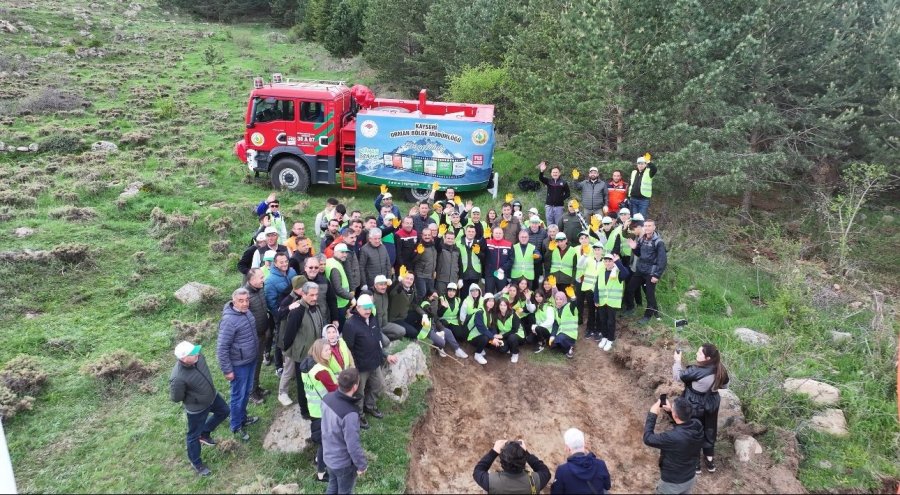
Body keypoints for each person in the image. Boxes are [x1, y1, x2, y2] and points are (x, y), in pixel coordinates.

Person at [169, 341, 229, 477]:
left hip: (212, 397)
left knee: (224, 411)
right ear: (184, 359)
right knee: (192, 436)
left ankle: (205, 432)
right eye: (193, 353)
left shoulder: (199, 357)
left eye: (196, 350)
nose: (197, 353)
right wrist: (194, 398)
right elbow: (176, 398)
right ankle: (196, 462)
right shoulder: (177, 377)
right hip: (197, 408)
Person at [341, 294, 399, 429]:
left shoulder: (373, 319)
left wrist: (385, 356)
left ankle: (370, 406)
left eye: (370, 308)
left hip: (374, 361)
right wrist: (352, 367)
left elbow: (377, 341)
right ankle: (359, 415)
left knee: (379, 385)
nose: (368, 311)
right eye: (365, 308)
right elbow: (348, 348)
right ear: (358, 307)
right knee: (359, 392)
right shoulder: (351, 324)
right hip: (360, 366)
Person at [673, 344, 729, 474]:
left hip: (694, 403)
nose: (696, 353)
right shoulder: (721, 368)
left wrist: (677, 361)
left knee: (694, 430)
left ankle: (696, 464)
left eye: (699, 353)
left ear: (707, 357)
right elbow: (725, 386)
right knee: (710, 428)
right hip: (712, 403)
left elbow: (678, 377)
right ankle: (710, 461)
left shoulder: (696, 370)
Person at [216, 288, 260, 441]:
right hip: (239, 365)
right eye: (241, 301)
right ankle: (236, 425)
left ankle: (243, 417)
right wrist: (227, 370)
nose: (245, 303)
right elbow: (222, 348)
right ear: (233, 301)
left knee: (246, 392)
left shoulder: (247, 313)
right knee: (238, 395)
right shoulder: (228, 321)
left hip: (250, 360)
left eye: (247, 300)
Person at [643, 397, 704, 494]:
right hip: (690, 476)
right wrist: (671, 411)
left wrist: (652, 414)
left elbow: (648, 439)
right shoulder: (698, 425)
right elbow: (684, 422)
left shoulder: (672, 437)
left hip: (672, 483)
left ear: (675, 415)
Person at [282, 282, 325, 418]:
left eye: (316, 294)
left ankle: (315, 403)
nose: (314, 298)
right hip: (302, 355)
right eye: (311, 295)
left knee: (315, 380)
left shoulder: (316, 306)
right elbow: (289, 334)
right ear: (303, 294)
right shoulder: (297, 311)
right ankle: (304, 410)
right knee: (303, 384)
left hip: (316, 353)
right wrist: (289, 351)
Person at [299, 338, 339, 483]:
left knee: (323, 441)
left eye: (330, 349)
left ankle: (317, 458)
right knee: (325, 444)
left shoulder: (307, 366)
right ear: (318, 351)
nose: (330, 352)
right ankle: (321, 474)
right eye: (327, 350)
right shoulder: (321, 370)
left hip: (314, 408)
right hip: (324, 411)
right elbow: (334, 391)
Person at [322, 368, 367, 494]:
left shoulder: (327, 398)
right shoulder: (350, 413)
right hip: (343, 463)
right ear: (355, 386)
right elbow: (353, 445)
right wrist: (361, 465)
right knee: (345, 492)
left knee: (332, 486)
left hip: (328, 455)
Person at [624, 219, 667, 324]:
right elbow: (639, 254)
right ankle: (630, 308)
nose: (647, 228)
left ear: (654, 227)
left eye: (649, 226)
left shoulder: (659, 242)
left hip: (651, 272)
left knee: (649, 294)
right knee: (629, 289)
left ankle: (648, 316)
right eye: (646, 226)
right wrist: (634, 248)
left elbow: (663, 260)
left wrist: (657, 275)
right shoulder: (642, 239)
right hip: (640, 270)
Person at [473, 439, 551, 494]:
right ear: (524, 461)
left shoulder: (491, 482)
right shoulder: (535, 481)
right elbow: (545, 471)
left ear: (502, 462)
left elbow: (478, 471)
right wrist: (526, 453)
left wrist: (494, 451)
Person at [551, 428, 612, 494]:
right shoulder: (600, 464)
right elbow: (607, 486)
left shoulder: (562, 470)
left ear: (567, 448)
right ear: (584, 444)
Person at [242, 268, 270, 404]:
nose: (263, 280)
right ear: (251, 280)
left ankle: (256, 387)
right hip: (253, 338)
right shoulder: (244, 296)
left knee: (258, 363)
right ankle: (251, 393)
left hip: (262, 333)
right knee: (253, 364)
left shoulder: (260, 289)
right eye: (261, 277)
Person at [595, 253, 630, 352]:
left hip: (612, 302)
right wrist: (596, 299)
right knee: (602, 320)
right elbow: (596, 287)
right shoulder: (601, 272)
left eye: (610, 261)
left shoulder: (618, 273)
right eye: (606, 261)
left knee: (611, 321)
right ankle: (604, 337)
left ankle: (610, 339)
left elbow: (626, 274)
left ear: (613, 262)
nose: (607, 263)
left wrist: (618, 262)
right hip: (602, 301)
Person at [467, 293, 505, 364]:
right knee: (485, 338)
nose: (491, 303)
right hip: (473, 337)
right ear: (485, 301)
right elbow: (481, 328)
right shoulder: (480, 312)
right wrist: (492, 338)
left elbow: (493, 326)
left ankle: (483, 346)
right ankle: (477, 354)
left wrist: (494, 337)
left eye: (493, 301)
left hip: (484, 335)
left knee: (496, 344)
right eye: (489, 301)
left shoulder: (490, 312)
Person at [325, 243, 353, 329]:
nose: (345, 255)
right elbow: (338, 289)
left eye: (346, 252)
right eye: (342, 252)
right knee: (339, 329)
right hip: (339, 304)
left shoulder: (331, 261)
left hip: (338, 302)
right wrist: (351, 297)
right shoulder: (335, 267)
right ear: (335, 252)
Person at [538, 161, 571, 227]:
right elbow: (541, 178)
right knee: (549, 223)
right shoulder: (548, 181)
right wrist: (541, 171)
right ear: (551, 174)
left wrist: (561, 199)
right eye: (553, 172)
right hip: (549, 206)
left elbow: (568, 193)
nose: (555, 174)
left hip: (559, 207)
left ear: (559, 173)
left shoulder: (563, 183)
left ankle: (558, 236)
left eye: (556, 172)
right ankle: (550, 236)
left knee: (558, 224)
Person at [549, 290, 578, 359]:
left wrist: (573, 298)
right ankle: (564, 345)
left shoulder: (569, 307)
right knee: (552, 345)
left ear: (564, 299)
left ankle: (570, 348)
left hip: (571, 334)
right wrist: (552, 335)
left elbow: (574, 304)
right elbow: (555, 324)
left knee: (559, 340)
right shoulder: (556, 310)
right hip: (561, 333)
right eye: (557, 299)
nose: (558, 301)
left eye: (561, 299)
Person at [458, 225, 485, 297]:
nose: (471, 233)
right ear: (465, 232)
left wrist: (478, 253)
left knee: (475, 297)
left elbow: (484, 258)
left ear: (475, 233)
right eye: (469, 231)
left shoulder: (479, 243)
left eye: (473, 232)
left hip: (475, 274)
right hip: (463, 274)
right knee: (463, 296)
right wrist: (459, 278)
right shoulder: (459, 243)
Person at [484, 227, 513, 294]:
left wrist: (503, 269)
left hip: (502, 273)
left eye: (500, 233)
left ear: (503, 234)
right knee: (489, 294)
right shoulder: (487, 242)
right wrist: (484, 237)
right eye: (496, 233)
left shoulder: (509, 244)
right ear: (492, 234)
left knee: (502, 294)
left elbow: (511, 260)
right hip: (489, 274)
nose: (498, 235)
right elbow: (480, 250)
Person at [493, 297, 521, 363]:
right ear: (498, 306)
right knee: (502, 350)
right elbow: (495, 327)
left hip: (516, 335)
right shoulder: (496, 315)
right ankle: (510, 347)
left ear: (507, 306)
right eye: (501, 305)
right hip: (504, 335)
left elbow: (515, 330)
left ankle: (515, 353)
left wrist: (502, 336)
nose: (502, 307)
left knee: (512, 337)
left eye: (504, 305)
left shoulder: (513, 314)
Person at [411, 228, 438, 298]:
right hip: (421, 275)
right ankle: (417, 308)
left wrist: (435, 271)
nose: (427, 236)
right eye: (425, 235)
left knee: (429, 295)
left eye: (429, 235)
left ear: (431, 236)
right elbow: (413, 260)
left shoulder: (433, 245)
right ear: (422, 236)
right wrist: (418, 254)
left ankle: (425, 308)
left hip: (430, 276)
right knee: (422, 294)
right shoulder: (419, 245)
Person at [435, 229, 462, 294]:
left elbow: (460, 264)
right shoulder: (440, 248)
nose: (450, 240)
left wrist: (460, 278)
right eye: (448, 238)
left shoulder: (457, 250)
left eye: (452, 238)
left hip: (453, 280)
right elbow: (436, 245)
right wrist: (438, 237)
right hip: (441, 279)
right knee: (441, 299)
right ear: (444, 238)